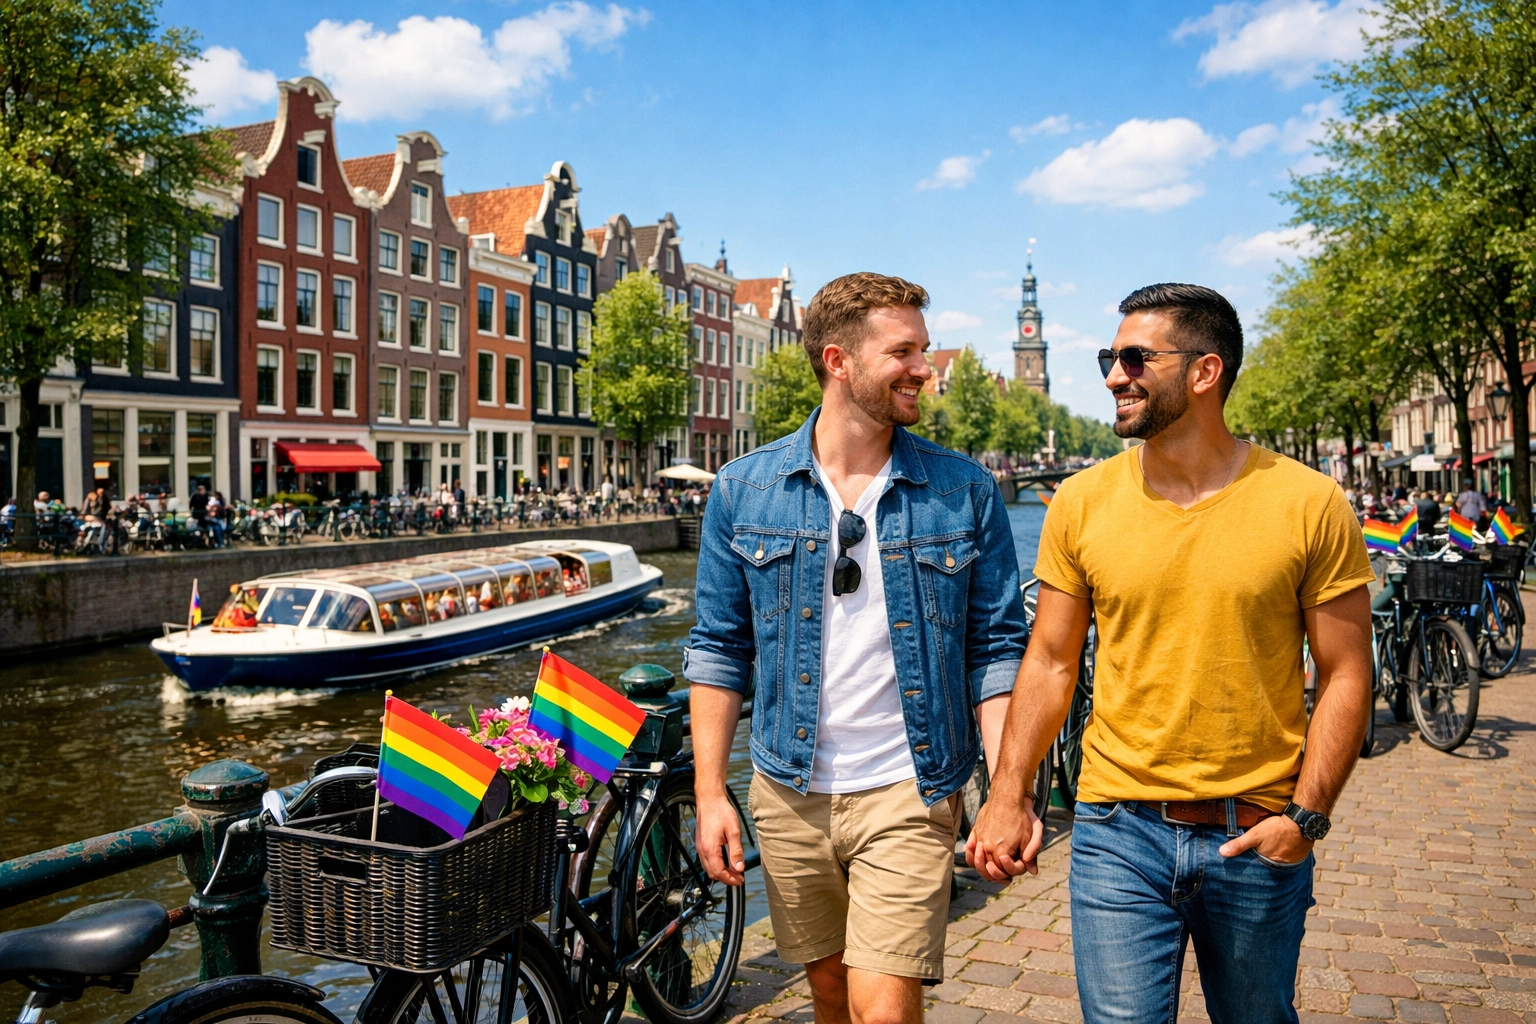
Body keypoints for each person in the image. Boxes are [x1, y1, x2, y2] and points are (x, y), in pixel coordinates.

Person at [968, 284, 1374, 1024]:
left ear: (1204, 372)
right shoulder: (1082, 501)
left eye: (1134, 358)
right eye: (1107, 358)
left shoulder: (1309, 504)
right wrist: (1007, 793)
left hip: (1252, 833)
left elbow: (1347, 671)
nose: (1114, 375)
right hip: (1116, 830)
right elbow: (1052, 660)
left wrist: (1305, 820)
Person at [687, 273, 1028, 1024]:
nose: (924, 369)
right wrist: (712, 794)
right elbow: (718, 647)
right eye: (903, 351)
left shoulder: (963, 490)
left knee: (884, 1008)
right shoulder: (744, 491)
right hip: (786, 788)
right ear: (839, 360)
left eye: (925, 350)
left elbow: (998, 650)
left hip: (910, 786)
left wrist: (1008, 791)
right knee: (832, 997)